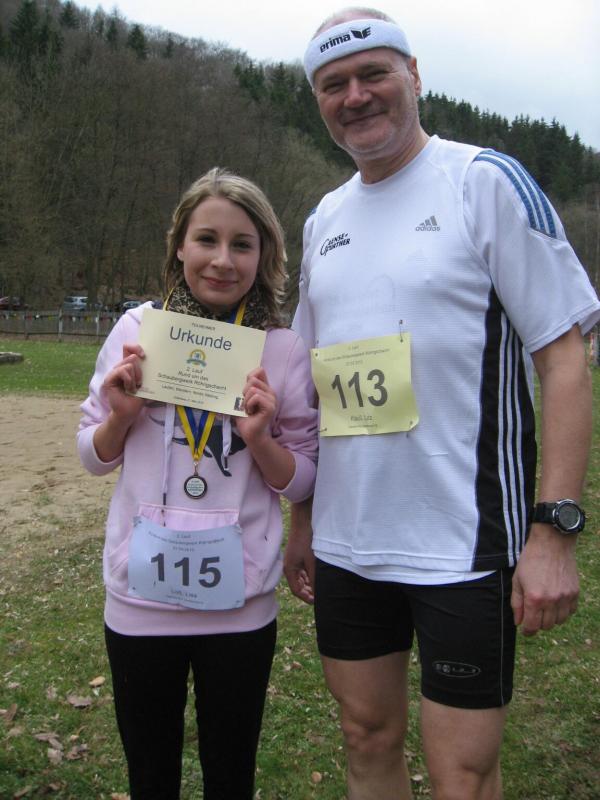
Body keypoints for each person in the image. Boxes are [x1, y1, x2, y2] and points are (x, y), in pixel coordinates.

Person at [284, 7, 600, 800]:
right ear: (319, 101)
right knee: (366, 738)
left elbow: (563, 358)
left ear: (415, 76)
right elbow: (315, 386)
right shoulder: (324, 219)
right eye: (334, 84)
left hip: (463, 544)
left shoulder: (484, 181)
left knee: (463, 774)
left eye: (374, 74)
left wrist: (554, 531)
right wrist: (303, 521)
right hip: (350, 544)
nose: (356, 96)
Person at [78, 168, 318, 800]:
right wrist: (120, 418)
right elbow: (92, 457)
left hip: (239, 607)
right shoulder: (136, 330)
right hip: (140, 603)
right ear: (179, 245)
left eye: (242, 244)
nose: (222, 260)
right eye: (206, 239)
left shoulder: (283, 350)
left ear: (264, 254)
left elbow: (302, 481)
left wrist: (260, 439)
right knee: (150, 777)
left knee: (230, 777)